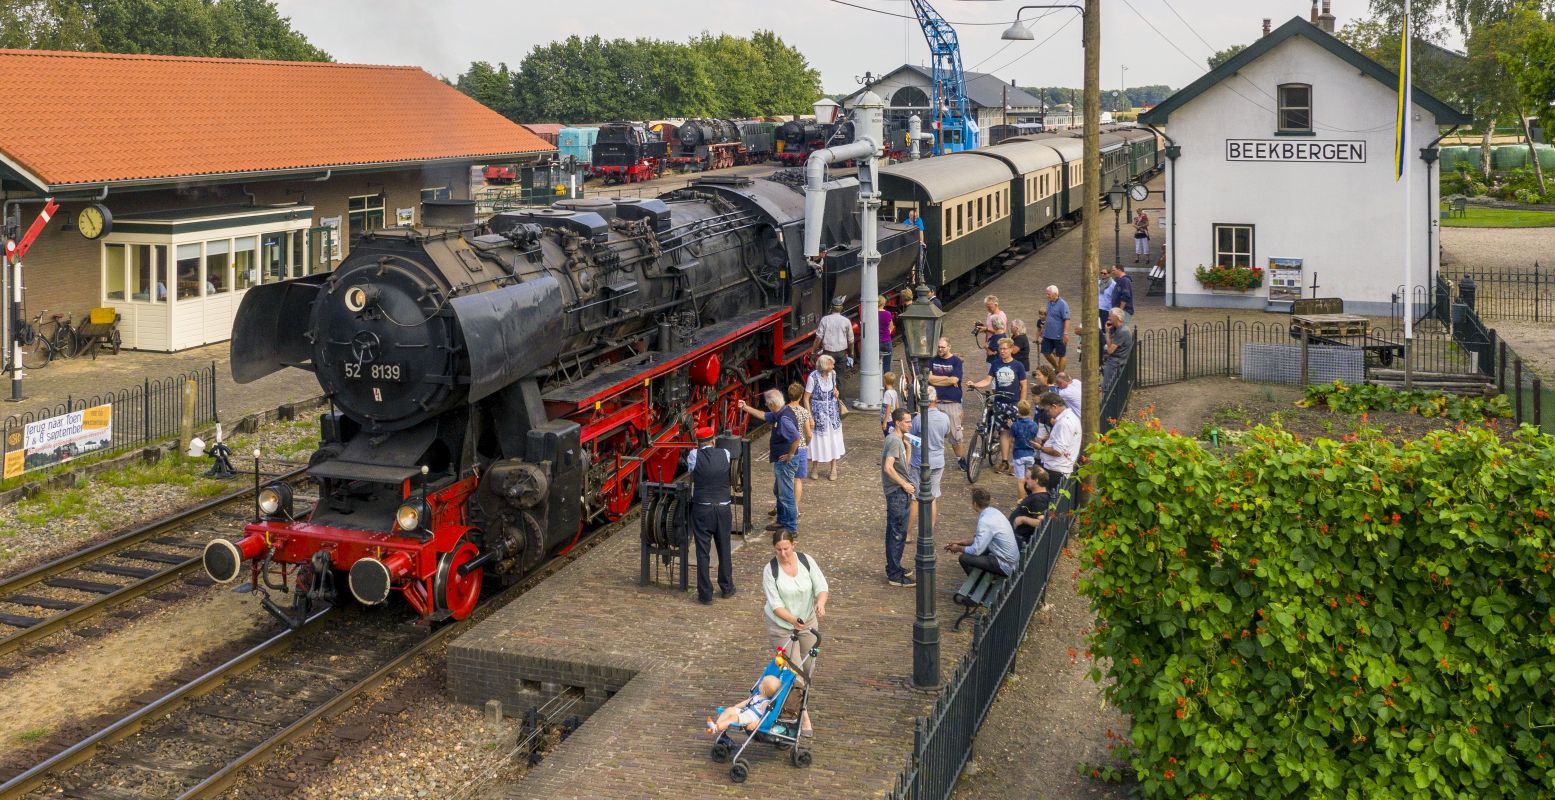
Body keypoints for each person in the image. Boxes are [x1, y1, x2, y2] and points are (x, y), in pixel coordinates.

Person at [763, 529, 828, 737]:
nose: (782, 553)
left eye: (786, 549)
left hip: (807, 620)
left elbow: (821, 586)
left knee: (808, 666)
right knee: (794, 670)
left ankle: (799, 701)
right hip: (782, 625)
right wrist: (792, 620)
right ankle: (803, 715)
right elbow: (775, 605)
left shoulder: (806, 561)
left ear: (794, 545)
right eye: (778, 550)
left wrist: (820, 603)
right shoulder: (770, 570)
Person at [686, 425, 735, 604]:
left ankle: (705, 594)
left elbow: (692, 471)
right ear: (713, 441)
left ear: (698, 443)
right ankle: (727, 587)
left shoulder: (693, 455)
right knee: (724, 548)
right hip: (723, 508)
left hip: (702, 508)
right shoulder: (725, 454)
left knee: (702, 551)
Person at [739, 390, 800, 534]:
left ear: (772, 404)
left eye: (767, 404)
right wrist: (746, 407)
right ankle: (782, 521)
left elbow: (796, 438)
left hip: (786, 462)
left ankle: (791, 528)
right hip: (781, 461)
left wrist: (790, 455)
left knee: (786, 495)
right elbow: (764, 415)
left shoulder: (784, 419)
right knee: (779, 492)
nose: (766, 406)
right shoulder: (780, 412)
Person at [966, 337, 1028, 472]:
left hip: (1013, 403)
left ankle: (1014, 462)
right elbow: (987, 380)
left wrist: (1021, 403)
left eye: (1005, 349)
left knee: (1014, 432)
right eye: (1000, 349)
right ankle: (1005, 461)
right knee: (1003, 432)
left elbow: (1023, 385)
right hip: (999, 402)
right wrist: (975, 384)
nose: (1002, 351)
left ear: (1011, 349)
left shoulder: (1018, 366)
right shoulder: (995, 364)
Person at [945, 487, 1019, 578]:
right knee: (975, 550)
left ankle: (977, 584)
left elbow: (976, 550)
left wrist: (958, 548)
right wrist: (962, 542)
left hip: (1005, 565)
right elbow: (981, 541)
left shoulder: (985, 521)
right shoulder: (994, 512)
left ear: (974, 504)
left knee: (964, 558)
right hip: (1010, 559)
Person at [881, 408, 916, 587]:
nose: (910, 424)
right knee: (897, 533)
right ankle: (894, 574)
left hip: (899, 491)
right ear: (898, 422)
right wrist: (904, 485)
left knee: (895, 532)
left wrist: (908, 449)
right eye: (907, 422)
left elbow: (903, 467)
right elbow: (888, 468)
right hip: (897, 493)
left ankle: (894, 567)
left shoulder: (897, 440)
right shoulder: (894, 441)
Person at [907, 387, 950, 533]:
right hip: (938, 461)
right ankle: (929, 532)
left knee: (914, 498)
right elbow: (946, 434)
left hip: (920, 462)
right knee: (933, 496)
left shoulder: (918, 419)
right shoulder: (944, 418)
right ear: (935, 400)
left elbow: (911, 437)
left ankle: (908, 533)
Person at [804, 355, 847, 481]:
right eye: (830, 364)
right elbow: (806, 398)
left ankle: (833, 468)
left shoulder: (832, 374)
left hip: (832, 413)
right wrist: (810, 417)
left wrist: (836, 392)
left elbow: (835, 389)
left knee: (833, 440)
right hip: (818, 414)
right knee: (817, 441)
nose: (833, 366)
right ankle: (814, 468)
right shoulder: (813, 378)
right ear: (823, 366)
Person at [926, 337, 967, 469]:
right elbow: (929, 379)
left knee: (956, 434)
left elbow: (954, 379)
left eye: (943, 347)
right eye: (938, 347)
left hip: (952, 402)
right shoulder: (933, 360)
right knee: (930, 432)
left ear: (949, 347)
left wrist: (938, 380)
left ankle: (961, 459)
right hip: (935, 402)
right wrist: (946, 379)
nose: (940, 349)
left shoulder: (956, 361)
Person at [707, 675, 782, 735]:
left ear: (764, 690)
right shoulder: (757, 695)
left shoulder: (765, 702)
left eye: (762, 683)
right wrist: (735, 707)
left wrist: (756, 723)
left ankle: (717, 728)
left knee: (733, 718)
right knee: (729, 710)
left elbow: (764, 716)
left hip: (750, 718)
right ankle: (716, 725)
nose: (760, 684)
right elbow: (746, 702)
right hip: (744, 712)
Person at [1035, 392, 1080, 490]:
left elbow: (1057, 451)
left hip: (1056, 469)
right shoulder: (1068, 418)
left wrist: (1040, 448)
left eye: (1047, 411)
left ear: (1054, 406)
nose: (1047, 414)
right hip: (1057, 467)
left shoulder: (1064, 423)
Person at [813, 298, 855, 405]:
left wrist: (814, 351)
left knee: (826, 376)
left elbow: (818, 338)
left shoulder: (825, 320)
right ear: (841, 308)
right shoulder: (846, 321)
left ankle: (827, 399)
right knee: (840, 378)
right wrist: (851, 354)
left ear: (831, 308)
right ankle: (840, 403)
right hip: (841, 353)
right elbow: (851, 340)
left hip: (828, 353)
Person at [787, 383, 814, 509]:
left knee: (785, 479)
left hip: (786, 448)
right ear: (801, 396)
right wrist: (806, 444)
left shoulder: (783, 411)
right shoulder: (804, 412)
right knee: (798, 479)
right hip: (801, 448)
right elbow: (808, 434)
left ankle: (783, 505)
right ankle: (795, 508)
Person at [1009, 471, 1052, 548]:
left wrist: (1023, 519)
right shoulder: (1037, 494)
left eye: (1027, 478)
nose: (1025, 480)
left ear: (1036, 480)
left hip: (1019, 540)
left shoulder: (1039, 499)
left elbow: (1041, 522)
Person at [1041, 285, 1072, 373]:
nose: (1047, 296)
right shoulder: (1049, 303)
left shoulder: (1063, 304)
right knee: (1045, 352)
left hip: (1059, 335)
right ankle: (1057, 368)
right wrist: (1043, 329)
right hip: (1048, 334)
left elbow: (1067, 319)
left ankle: (1060, 374)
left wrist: (1065, 333)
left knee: (1061, 354)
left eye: (1049, 294)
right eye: (1047, 294)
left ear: (1055, 294)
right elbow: (1048, 317)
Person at [1103, 307, 1134, 394]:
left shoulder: (1122, 331)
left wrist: (1107, 349)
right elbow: (1110, 345)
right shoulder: (1118, 329)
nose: (1109, 318)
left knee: (1107, 387)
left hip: (1116, 362)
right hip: (1115, 359)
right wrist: (1107, 331)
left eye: (1111, 316)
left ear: (1117, 317)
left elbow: (1110, 351)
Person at [1008, 401, 1039, 481]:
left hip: (1019, 454)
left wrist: (1011, 427)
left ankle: (1020, 494)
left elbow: (1011, 441)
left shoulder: (1015, 425)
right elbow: (1035, 438)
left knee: (1020, 480)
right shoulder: (1034, 425)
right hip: (1030, 454)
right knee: (1029, 479)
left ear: (1018, 411)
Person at [878, 294, 896, 379]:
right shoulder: (888, 314)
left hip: (876, 343)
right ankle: (887, 386)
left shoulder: (872, 314)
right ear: (884, 303)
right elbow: (891, 327)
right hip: (886, 341)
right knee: (887, 366)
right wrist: (887, 333)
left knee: (875, 366)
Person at [880, 371, 901, 436]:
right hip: (893, 419)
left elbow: (888, 408)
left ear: (885, 381)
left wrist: (885, 422)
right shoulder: (894, 392)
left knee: (888, 436)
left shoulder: (887, 393)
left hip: (888, 419)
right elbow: (897, 405)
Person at [1097, 265, 1116, 330]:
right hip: (1098, 308)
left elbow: (1114, 297)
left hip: (1107, 310)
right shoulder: (1098, 283)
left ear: (1109, 274)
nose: (1102, 275)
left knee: (1105, 329)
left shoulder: (1113, 284)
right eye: (1101, 273)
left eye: (1104, 273)